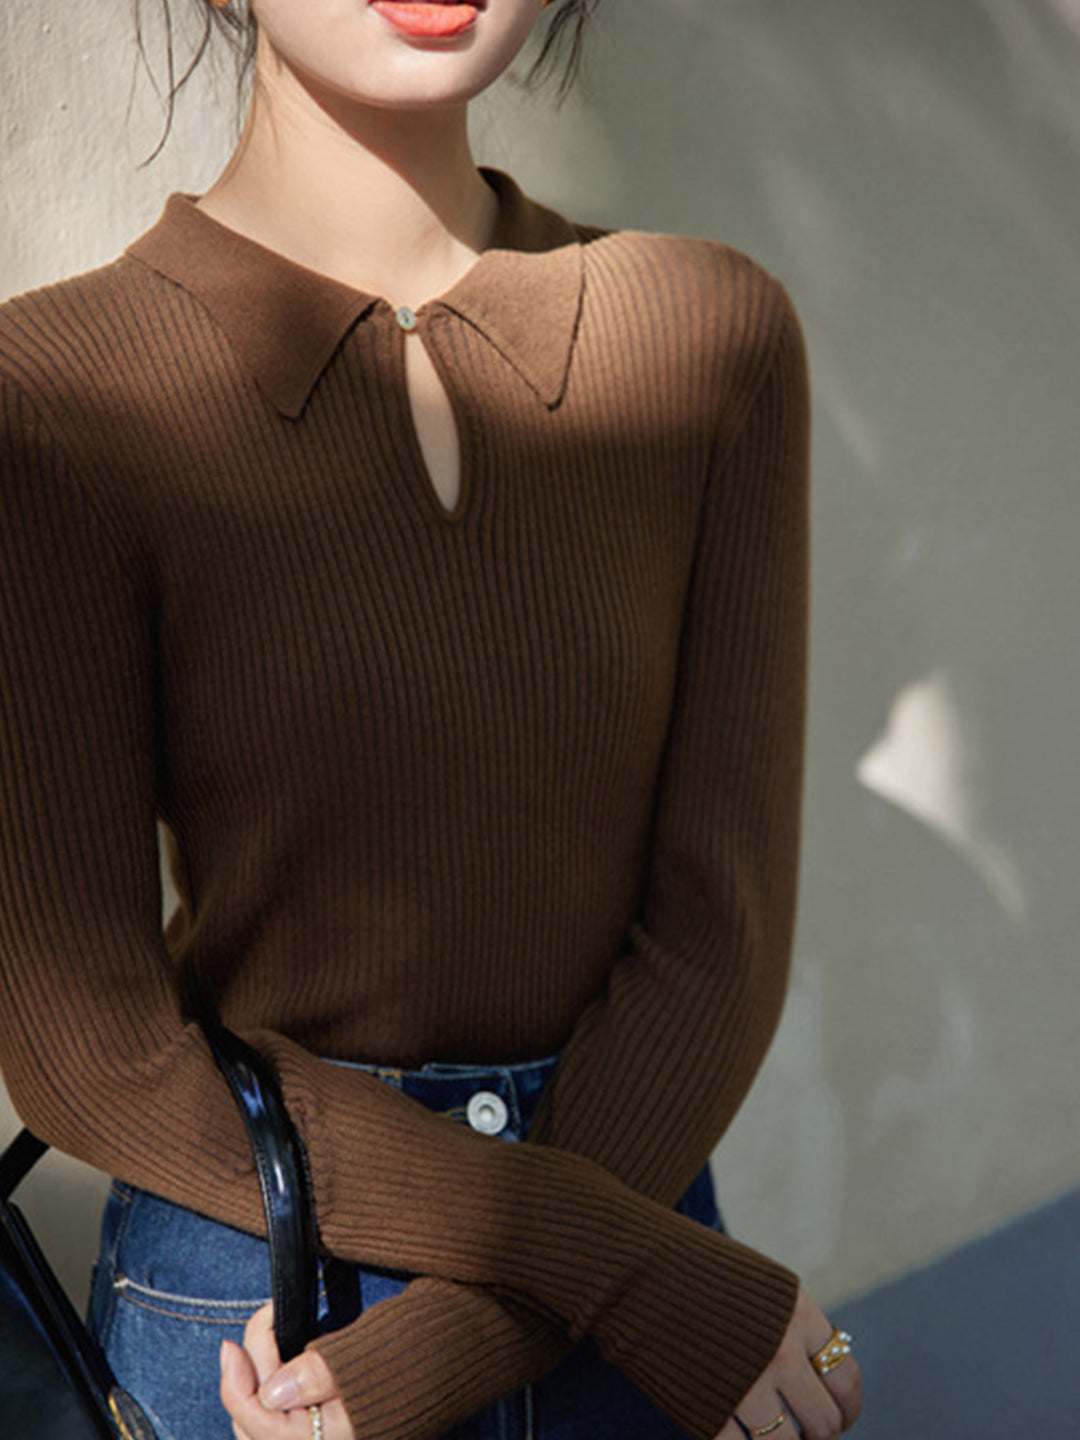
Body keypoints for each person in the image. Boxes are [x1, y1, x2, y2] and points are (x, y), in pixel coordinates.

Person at [0, 2, 863, 1438]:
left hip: (631, 1222)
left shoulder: (710, 335)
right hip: (265, 1292)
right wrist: (616, 1269)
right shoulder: (53, 395)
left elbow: (719, 933)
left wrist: (466, 1343)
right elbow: (84, 1045)